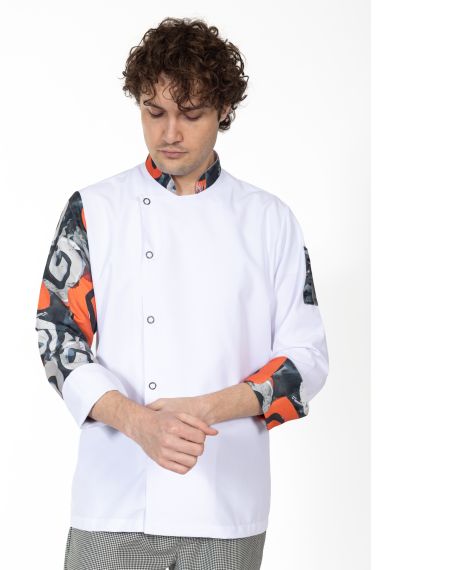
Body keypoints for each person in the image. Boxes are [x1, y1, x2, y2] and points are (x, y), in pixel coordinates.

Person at [35, 16, 329, 570]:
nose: (170, 133)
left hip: (227, 504)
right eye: (154, 112)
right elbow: (58, 340)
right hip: (115, 502)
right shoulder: (94, 210)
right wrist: (139, 422)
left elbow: (305, 361)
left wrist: (205, 409)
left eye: (190, 114)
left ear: (223, 110)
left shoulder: (270, 221)